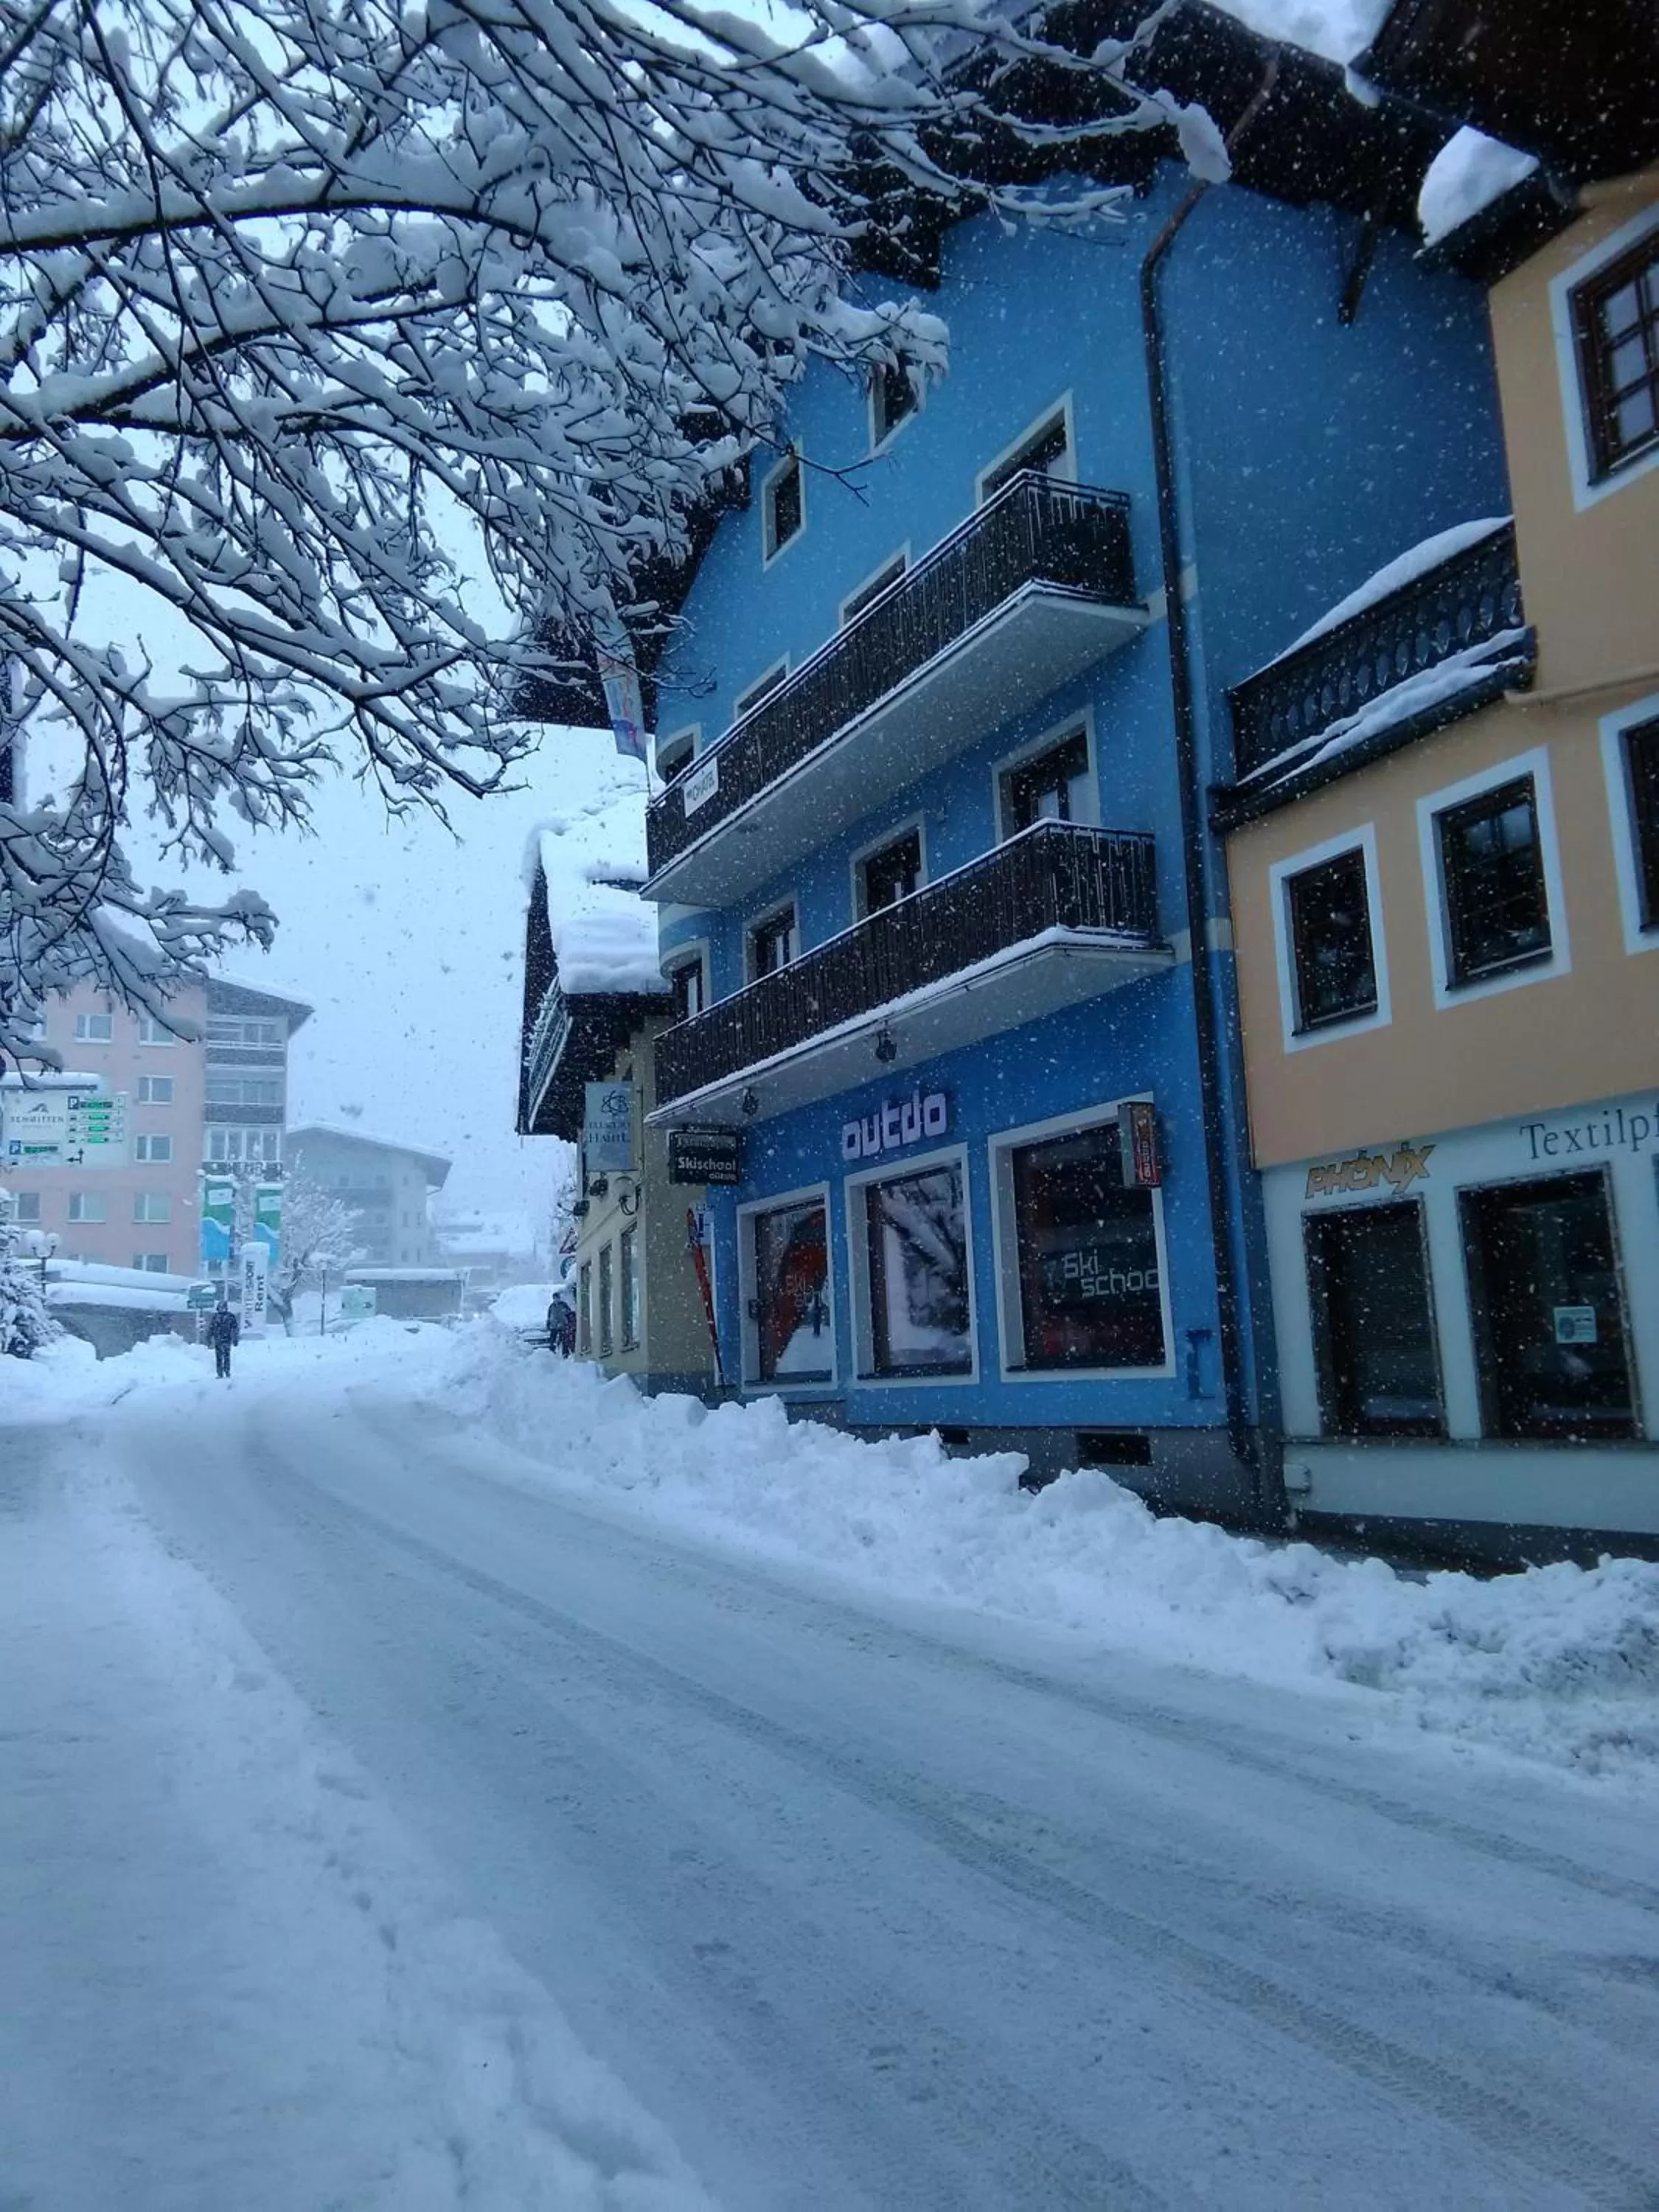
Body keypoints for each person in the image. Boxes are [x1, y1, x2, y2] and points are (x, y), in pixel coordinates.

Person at [206, 1297, 240, 1379]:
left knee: (227, 1356)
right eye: (220, 1308)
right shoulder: (216, 1317)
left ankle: (227, 1371)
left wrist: (235, 1338)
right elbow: (211, 1328)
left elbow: (235, 1328)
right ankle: (219, 1373)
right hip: (218, 1339)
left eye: (223, 1308)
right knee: (219, 1357)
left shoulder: (231, 1316)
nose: (222, 1309)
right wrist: (209, 1338)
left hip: (227, 1339)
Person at [546, 1292, 576, 1356]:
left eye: (557, 1298)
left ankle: (565, 1353)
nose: (556, 1300)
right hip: (554, 1326)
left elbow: (569, 1314)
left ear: (559, 1298)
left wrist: (568, 1323)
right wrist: (548, 1323)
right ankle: (552, 1352)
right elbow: (549, 1316)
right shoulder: (552, 1306)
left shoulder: (564, 1305)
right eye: (554, 1298)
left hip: (563, 1326)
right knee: (552, 1339)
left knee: (564, 1340)